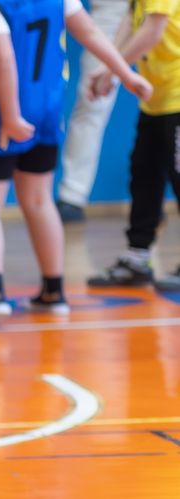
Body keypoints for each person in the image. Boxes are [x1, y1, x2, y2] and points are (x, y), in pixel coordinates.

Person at [0, 0, 152, 328]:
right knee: (39, 199)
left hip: (2, 115)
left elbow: (3, 57)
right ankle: (53, 290)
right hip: (47, 113)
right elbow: (89, 31)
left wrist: (9, 117)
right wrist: (126, 75)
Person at [87, 2, 180, 290]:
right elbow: (131, 21)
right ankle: (137, 258)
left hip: (177, 96)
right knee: (144, 176)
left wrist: (114, 72)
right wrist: (108, 66)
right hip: (155, 101)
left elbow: (152, 32)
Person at [56, 0, 131, 223]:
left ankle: (152, 198)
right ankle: (72, 195)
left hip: (165, 10)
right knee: (93, 99)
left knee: (166, 107)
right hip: (112, 9)